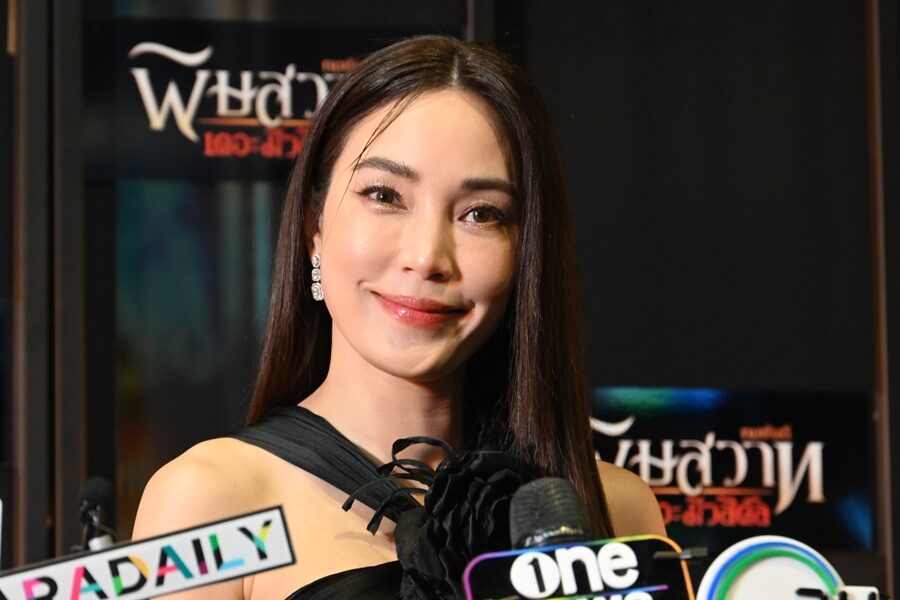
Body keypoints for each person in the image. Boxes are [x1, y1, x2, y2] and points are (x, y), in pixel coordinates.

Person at [133, 35, 665, 599]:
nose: (427, 257)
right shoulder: (210, 505)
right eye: (385, 196)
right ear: (315, 229)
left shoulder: (616, 511)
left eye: (481, 214)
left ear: (527, 252)